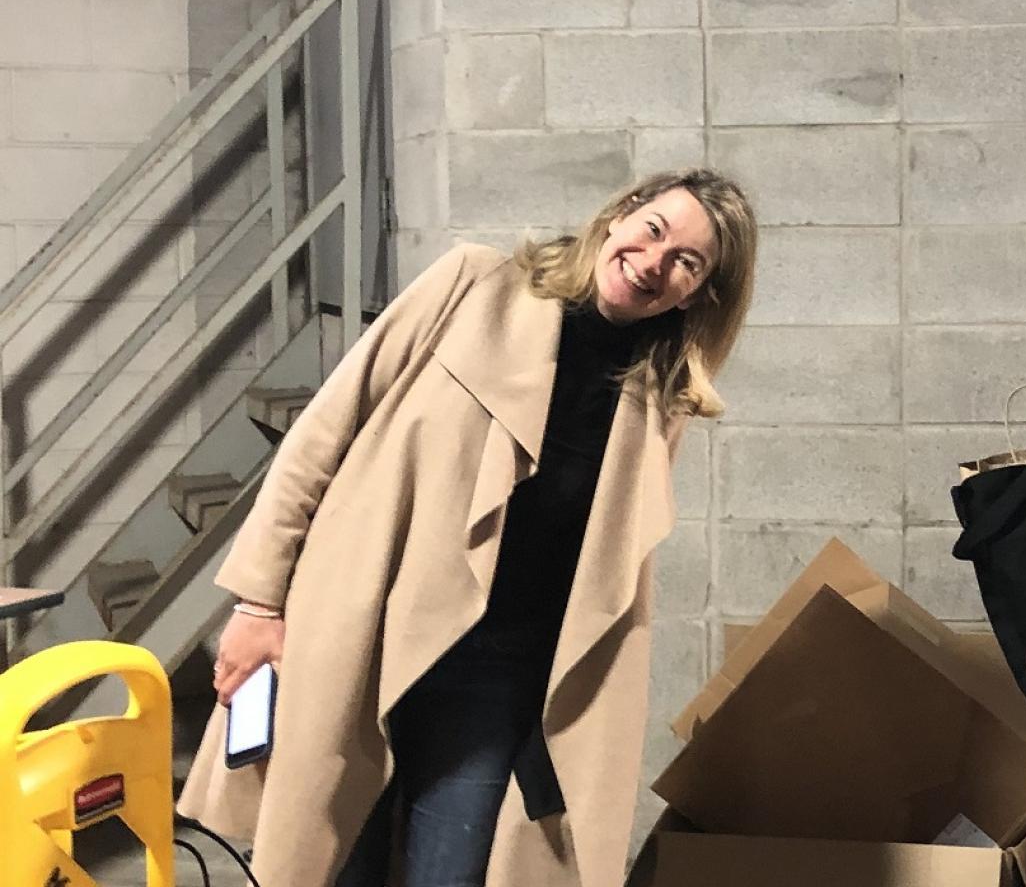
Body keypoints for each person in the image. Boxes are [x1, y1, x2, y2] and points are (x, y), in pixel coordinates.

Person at [176, 168, 758, 887]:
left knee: (449, 875)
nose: (654, 261)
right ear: (621, 216)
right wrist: (258, 602)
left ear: (698, 293)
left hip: (496, 681)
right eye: (655, 229)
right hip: (364, 635)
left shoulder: (657, 398)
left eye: (687, 263)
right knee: (327, 865)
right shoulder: (473, 286)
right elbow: (322, 436)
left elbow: (604, 568)